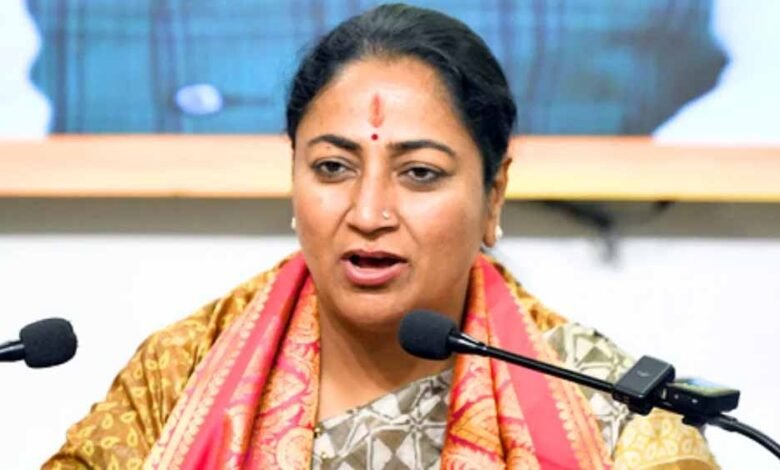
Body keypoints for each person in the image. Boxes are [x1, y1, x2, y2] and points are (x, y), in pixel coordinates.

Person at [44, 4, 718, 469]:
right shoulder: (178, 376)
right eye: (332, 168)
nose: (369, 212)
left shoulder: (611, 413)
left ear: (494, 194)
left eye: (420, 173)